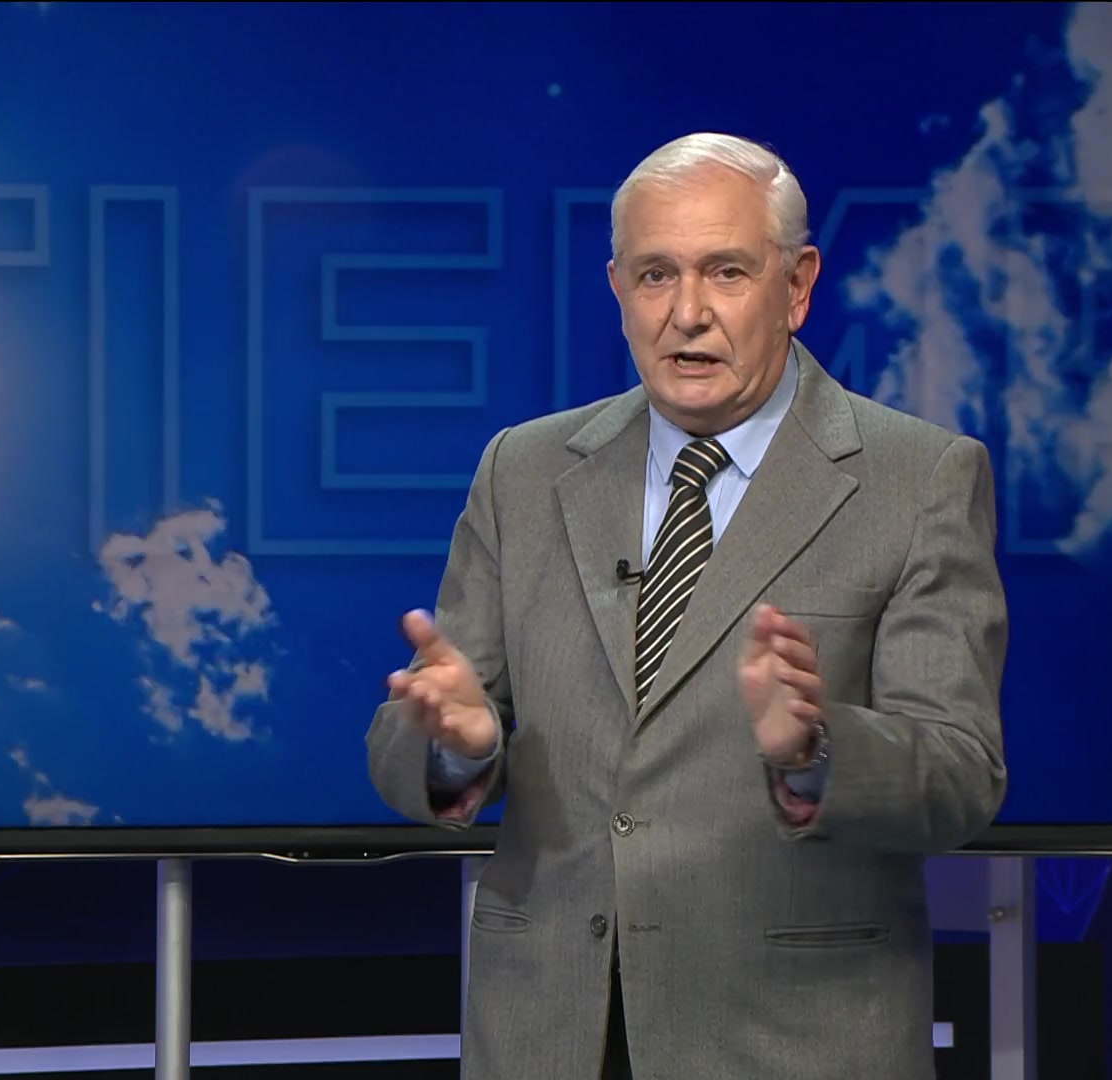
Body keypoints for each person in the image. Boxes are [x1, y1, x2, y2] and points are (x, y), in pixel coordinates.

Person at [364, 132, 1009, 1080]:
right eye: (656, 275)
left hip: (791, 1040)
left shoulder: (917, 480)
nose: (688, 313)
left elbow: (961, 776)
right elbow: (410, 743)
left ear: (797, 286)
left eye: (727, 272)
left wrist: (818, 750)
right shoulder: (523, 472)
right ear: (619, 290)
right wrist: (456, 744)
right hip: (550, 1037)